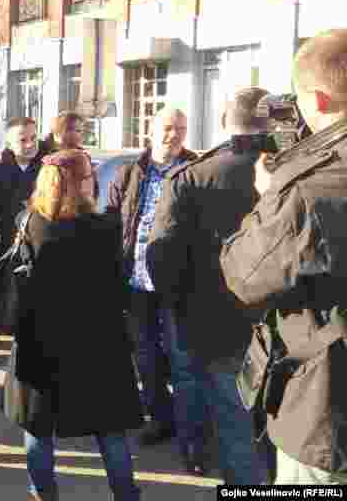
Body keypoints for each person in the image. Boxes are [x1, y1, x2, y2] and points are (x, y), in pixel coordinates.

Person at [221, 28, 347, 484]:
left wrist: (270, 197)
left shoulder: (310, 190)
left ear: (319, 99)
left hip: (328, 408)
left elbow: (243, 274)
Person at [146, 87, 270, 483]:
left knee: (232, 417)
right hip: (283, 320)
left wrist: (180, 303)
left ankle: (211, 461)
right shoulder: (294, 167)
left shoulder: (193, 177)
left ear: (222, 121)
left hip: (212, 319)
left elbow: (160, 255)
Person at [13, 149, 143, 501]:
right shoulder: (104, 229)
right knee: (110, 430)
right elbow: (118, 287)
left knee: (38, 427)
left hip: (40, 341)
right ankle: (125, 495)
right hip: (98, 343)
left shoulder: (29, 223)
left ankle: (41, 495)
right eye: (90, 177)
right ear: (80, 183)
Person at [106, 107, 199, 463]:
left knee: (183, 362)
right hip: (135, 283)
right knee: (146, 359)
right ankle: (160, 420)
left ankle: (192, 439)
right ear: (150, 130)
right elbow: (113, 222)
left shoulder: (193, 170)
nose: (173, 135)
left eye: (180, 128)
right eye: (166, 128)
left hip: (177, 286)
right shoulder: (130, 171)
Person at [0, 117, 46, 248]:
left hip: (42, 245)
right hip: (8, 247)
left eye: (33, 138)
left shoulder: (48, 169)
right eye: (23, 140)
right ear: (9, 144)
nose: (30, 144)